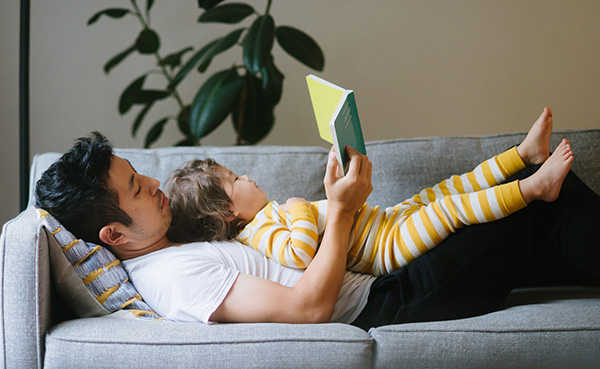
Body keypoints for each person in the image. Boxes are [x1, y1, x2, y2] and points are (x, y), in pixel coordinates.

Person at [34, 108, 600, 328]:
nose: (155, 185)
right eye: (137, 188)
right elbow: (309, 308)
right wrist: (343, 212)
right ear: (113, 235)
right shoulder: (172, 278)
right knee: (542, 203)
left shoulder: (174, 245)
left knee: (522, 197)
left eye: (141, 174)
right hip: (390, 305)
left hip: (385, 280)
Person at [165, 108, 569, 277]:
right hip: (386, 250)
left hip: (388, 222)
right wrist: (300, 207)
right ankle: (535, 188)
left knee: (445, 189)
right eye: (236, 181)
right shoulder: (259, 234)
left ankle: (522, 154)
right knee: (451, 208)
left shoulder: (267, 215)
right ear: (228, 215)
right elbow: (302, 254)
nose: (248, 178)